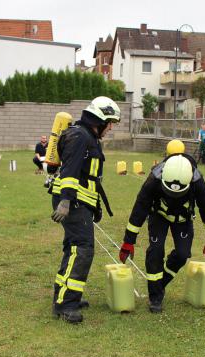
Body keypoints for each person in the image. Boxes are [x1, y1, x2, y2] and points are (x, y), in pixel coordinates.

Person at [50, 96, 121, 324]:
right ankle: (66, 304)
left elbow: (90, 178)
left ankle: (64, 296)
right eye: (109, 122)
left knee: (74, 249)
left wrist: (95, 206)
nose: (110, 127)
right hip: (72, 201)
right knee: (82, 249)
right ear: (99, 119)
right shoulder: (79, 136)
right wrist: (65, 201)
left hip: (80, 201)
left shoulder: (88, 136)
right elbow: (70, 170)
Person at [119, 153, 205, 313]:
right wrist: (128, 241)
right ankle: (155, 297)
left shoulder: (197, 181)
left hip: (183, 218)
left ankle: (160, 283)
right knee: (156, 251)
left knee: (182, 254)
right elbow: (140, 208)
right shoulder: (153, 179)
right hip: (159, 215)